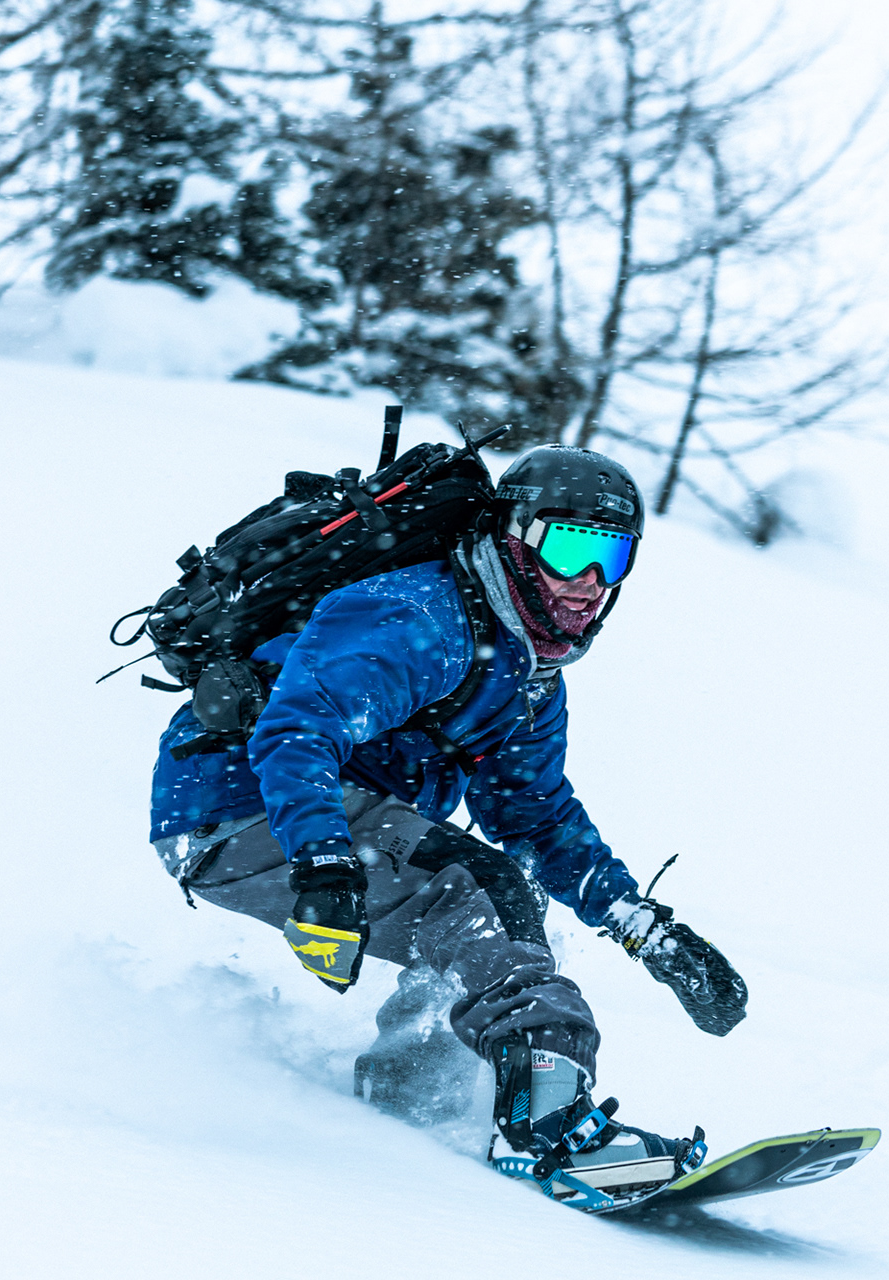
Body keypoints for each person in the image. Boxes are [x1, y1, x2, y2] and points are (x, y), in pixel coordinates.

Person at [147, 445, 746, 1196]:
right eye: (569, 550)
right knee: (479, 892)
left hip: (321, 824)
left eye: (613, 557)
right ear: (515, 540)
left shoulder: (526, 671)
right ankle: (551, 1130)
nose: (589, 582)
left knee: (492, 906)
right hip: (241, 812)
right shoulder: (419, 617)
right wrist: (326, 864)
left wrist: (648, 932)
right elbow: (298, 732)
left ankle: (412, 1099)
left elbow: (537, 817)